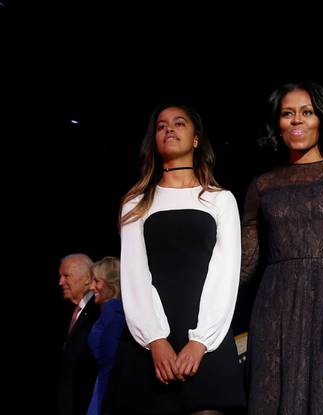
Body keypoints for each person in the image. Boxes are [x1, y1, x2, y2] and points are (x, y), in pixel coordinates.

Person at [110, 103, 245, 414]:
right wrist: (155, 340)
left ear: (196, 139)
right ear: (154, 141)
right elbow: (134, 275)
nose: (169, 128)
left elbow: (225, 274)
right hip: (147, 344)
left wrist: (201, 342)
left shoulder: (220, 199)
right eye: (161, 126)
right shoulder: (136, 202)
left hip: (207, 338)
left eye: (179, 123)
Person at [241, 81, 323, 414]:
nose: (297, 121)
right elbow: (245, 263)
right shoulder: (262, 185)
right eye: (287, 114)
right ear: (277, 124)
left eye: (306, 112)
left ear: (321, 119)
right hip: (274, 309)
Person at [58, 253, 100, 415]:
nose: (60, 282)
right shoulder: (77, 311)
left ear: (87, 279)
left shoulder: (97, 310)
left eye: (66, 276)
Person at [86, 256, 125, 415]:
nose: (92, 287)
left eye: (97, 281)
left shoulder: (113, 311)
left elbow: (110, 358)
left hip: (108, 388)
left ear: (111, 283)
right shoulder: (109, 311)